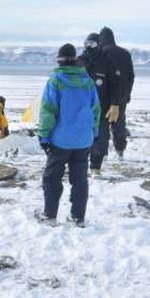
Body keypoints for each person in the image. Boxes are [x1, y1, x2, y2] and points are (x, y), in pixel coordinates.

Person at [37, 44, 100, 226]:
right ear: (75, 59)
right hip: (83, 140)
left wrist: (43, 135)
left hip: (61, 140)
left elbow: (48, 111)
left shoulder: (55, 81)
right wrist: (93, 132)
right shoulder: (87, 81)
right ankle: (77, 217)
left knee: (52, 177)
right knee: (80, 179)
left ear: (59, 60)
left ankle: (49, 216)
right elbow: (95, 109)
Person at [79, 33, 122, 177]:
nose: (89, 47)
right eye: (87, 43)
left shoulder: (108, 62)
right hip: (80, 107)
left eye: (93, 44)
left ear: (99, 45)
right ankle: (79, 165)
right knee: (80, 137)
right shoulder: (80, 61)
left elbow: (117, 85)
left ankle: (95, 167)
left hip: (102, 107)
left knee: (101, 138)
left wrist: (115, 105)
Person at [99, 26, 135, 159]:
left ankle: (102, 153)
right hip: (121, 95)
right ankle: (120, 151)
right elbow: (131, 76)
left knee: (102, 124)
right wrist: (127, 93)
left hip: (104, 96)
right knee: (119, 123)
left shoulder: (101, 53)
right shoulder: (125, 53)